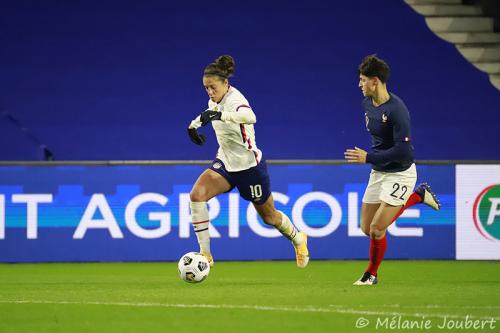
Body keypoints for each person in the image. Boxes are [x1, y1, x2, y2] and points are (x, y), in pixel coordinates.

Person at [187, 55, 309, 268]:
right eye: (206, 88)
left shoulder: (235, 100)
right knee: (197, 195)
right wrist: (193, 126)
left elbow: (250, 117)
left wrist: (220, 116)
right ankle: (205, 255)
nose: (209, 92)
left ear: (226, 83)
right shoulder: (214, 101)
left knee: (270, 217)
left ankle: (298, 238)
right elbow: (209, 113)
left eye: (213, 87)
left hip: (249, 167)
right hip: (225, 164)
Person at [344, 54, 441, 285]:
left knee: (378, 229)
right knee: (367, 228)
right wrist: (374, 161)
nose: (359, 85)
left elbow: (403, 152)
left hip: (401, 172)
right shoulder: (367, 103)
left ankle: (371, 275)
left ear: (375, 81)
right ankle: (418, 196)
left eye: (362, 80)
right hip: (379, 171)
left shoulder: (398, 111)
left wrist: (368, 157)